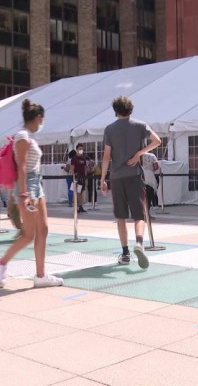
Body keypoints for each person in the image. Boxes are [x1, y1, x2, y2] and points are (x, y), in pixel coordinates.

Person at [0, 98, 63, 288]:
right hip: (28, 186)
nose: (42, 123)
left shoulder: (28, 136)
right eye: (42, 119)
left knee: (44, 229)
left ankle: (41, 275)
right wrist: (23, 193)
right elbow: (22, 167)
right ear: (38, 117)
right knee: (29, 234)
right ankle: (1, 263)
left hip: (36, 184)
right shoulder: (22, 136)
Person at [100, 96, 161, 268]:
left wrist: (103, 178)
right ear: (131, 109)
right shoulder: (140, 125)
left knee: (120, 216)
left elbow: (106, 156)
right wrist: (139, 154)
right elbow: (157, 141)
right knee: (138, 215)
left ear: (115, 110)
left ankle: (125, 253)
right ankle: (139, 243)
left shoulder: (109, 129)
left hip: (117, 176)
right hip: (134, 174)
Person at [141, 152, 159, 219]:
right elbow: (156, 166)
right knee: (149, 196)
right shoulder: (152, 155)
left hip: (139, 175)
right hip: (149, 176)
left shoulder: (138, 155)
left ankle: (139, 213)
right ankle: (147, 214)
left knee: (140, 196)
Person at [69, 144, 87, 213]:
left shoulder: (83, 158)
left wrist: (85, 177)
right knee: (77, 193)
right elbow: (72, 169)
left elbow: (85, 168)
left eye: (82, 149)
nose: (81, 150)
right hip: (76, 178)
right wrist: (74, 177)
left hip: (82, 177)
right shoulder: (74, 159)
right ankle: (77, 207)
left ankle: (80, 206)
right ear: (76, 150)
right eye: (79, 149)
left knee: (81, 192)